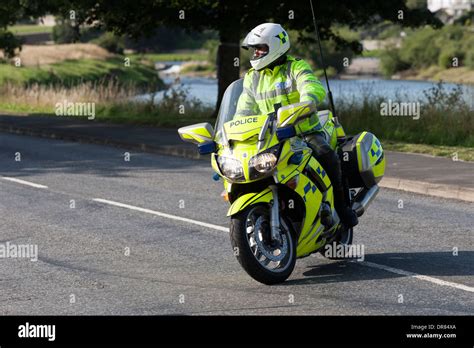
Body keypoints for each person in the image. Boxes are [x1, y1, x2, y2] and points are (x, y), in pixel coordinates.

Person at [235, 23, 358, 227]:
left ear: (275, 46)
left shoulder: (296, 67)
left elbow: (311, 86)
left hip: (304, 132)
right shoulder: (251, 78)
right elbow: (243, 110)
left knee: (326, 155)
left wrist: (307, 100)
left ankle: (342, 207)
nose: (255, 53)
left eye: (260, 49)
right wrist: (234, 129)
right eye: (253, 49)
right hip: (270, 137)